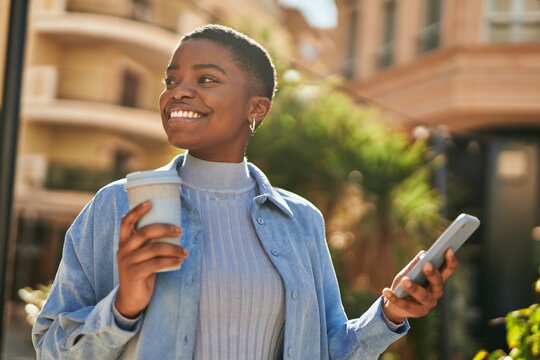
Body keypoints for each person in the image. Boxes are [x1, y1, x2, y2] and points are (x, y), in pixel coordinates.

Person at [32, 24, 458, 360]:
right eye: (172, 79)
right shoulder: (118, 205)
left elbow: (327, 349)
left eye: (207, 79)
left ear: (257, 108)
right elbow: (51, 348)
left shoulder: (299, 220)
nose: (179, 91)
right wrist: (123, 307)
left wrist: (390, 314)